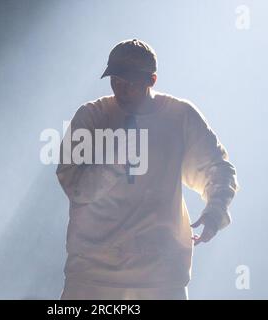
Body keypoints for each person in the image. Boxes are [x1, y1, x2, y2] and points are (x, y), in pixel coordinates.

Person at [56, 39, 240, 300]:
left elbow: (217, 168)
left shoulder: (179, 117)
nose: (121, 89)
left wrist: (215, 211)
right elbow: (77, 189)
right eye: (115, 80)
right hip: (93, 277)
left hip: (160, 277)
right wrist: (115, 158)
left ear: (151, 80)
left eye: (129, 83)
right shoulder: (91, 117)